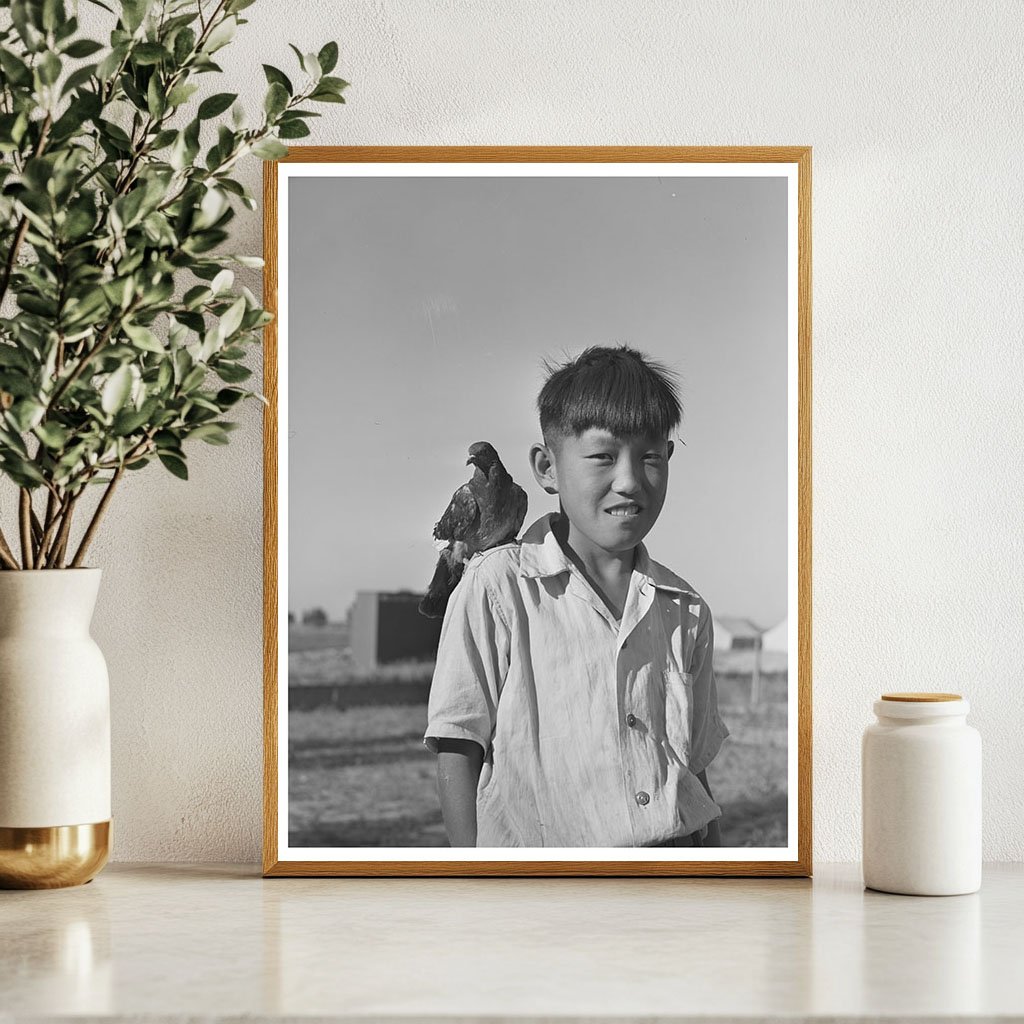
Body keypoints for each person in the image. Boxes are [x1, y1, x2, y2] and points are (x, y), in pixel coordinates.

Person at [423, 345, 729, 847]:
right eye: (603, 456)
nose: (629, 481)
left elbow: (693, 771)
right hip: (543, 894)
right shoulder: (497, 586)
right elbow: (458, 742)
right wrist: (472, 879)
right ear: (546, 468)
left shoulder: (685, 609)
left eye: (650, 457)